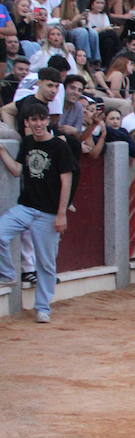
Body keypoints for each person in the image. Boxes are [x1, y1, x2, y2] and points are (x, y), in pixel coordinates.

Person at [0, 102, 73, 323]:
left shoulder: (59, 147)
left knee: (46, 262)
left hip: (49, 212)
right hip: (27, 206)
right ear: (27, 122)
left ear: (47, 120)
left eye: (42, 119)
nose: (38, 123)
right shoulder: (28, 142)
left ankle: (43, 307)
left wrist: (61, 213)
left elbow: (66, 180)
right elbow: (18, 170)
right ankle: (8, 274)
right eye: (34, 120)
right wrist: (2, 152)